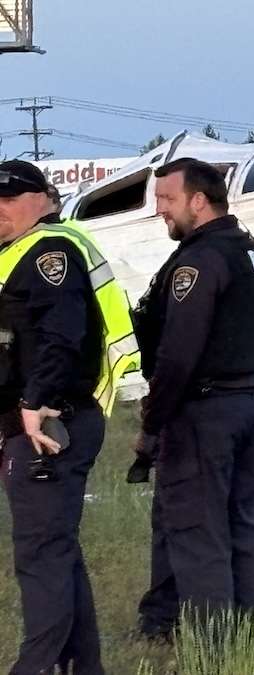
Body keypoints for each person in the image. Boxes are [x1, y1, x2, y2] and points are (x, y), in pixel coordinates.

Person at [129, 157, 254, 640]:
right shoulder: (251, 249)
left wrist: (153, 424)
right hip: (250, 404)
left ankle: (215, 652)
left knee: (200, 535)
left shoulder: (200, 260)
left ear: (199, 200)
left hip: (206, 414)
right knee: (241, 531)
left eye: (167, 199)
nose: (160, 211)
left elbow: (179, 355)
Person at [0, 160, 139, 674]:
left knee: (40, 557)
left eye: (10, 198)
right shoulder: (23, 251)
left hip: (49, 424)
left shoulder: (49, 252)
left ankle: (35, 667)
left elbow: (63, 335)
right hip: (44, 421)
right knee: (56, 551)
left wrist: (34, 405)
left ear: (44, 199)